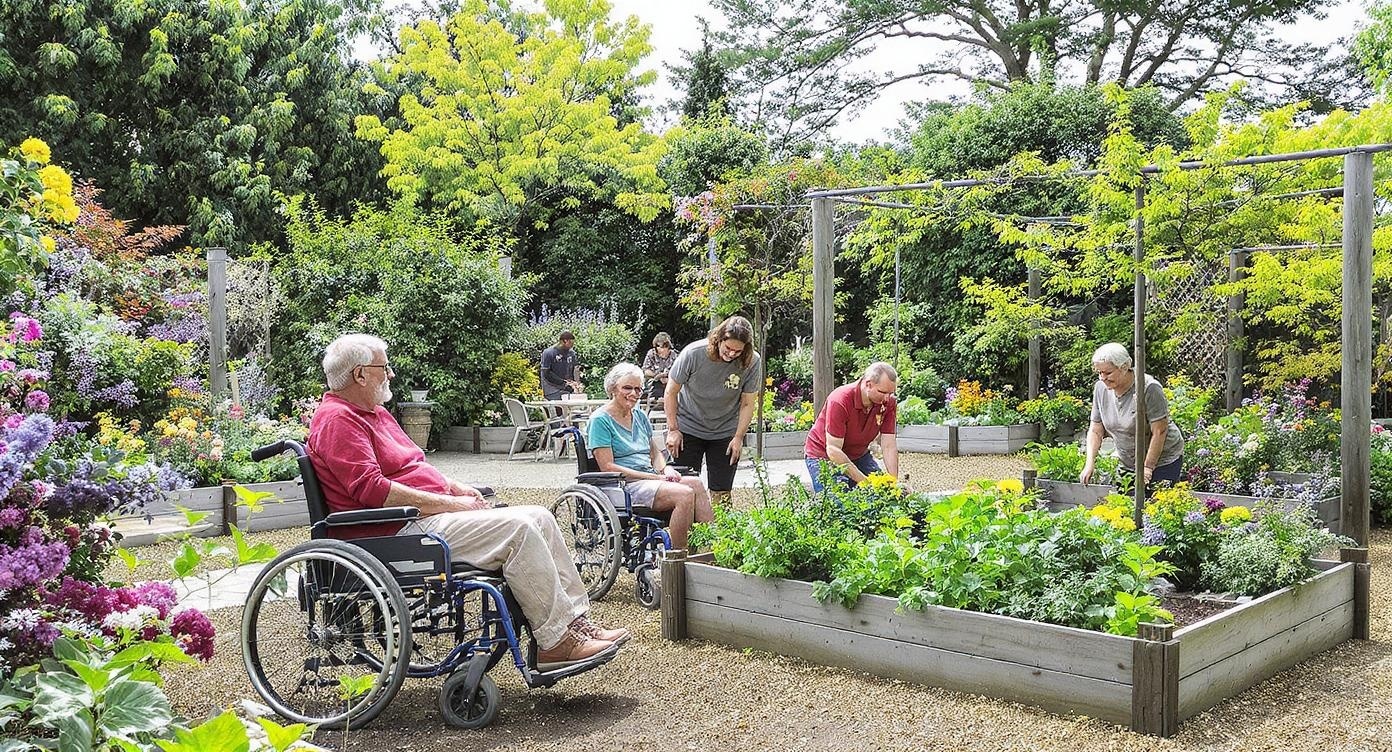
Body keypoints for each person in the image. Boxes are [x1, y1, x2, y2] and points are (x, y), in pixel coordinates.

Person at [307, 333, 628, 671]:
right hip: (394, 530)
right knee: (518, 530)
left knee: (540, 517)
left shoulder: (374, 413)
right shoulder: (338, 420)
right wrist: (450, 504)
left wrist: (455, 486)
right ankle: (554, 642)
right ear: (360, 374)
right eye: (384, 368)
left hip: (418, 519)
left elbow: (414, 466)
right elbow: (373, 490)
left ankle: (575, 625)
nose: (391, 375)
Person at [587, 363, 714, 550]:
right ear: (613, 388)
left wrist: (666, 468)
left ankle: (712, 548)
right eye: (627, 388)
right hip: (623, 485)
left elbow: (654, 453)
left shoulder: (639, 416)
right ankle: (679, 558)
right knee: (684, 494)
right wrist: (656, 477)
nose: (634, 393)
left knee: (695, 483)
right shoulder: (600, 420)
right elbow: (608, 467)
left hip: (650, 479)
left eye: (638, 389)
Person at [663, 315, 761, 505]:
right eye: (728, 348)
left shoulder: (751, 361)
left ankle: (721, 532)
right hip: (689, 428)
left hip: (725, 431)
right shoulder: (694, 353)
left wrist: (739, 437)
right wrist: (673, 429)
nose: (732, 354)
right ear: (719, 339)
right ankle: (689, 532)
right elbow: (671, 391)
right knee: (684, 488)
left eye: (737, 351)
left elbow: (748, 403)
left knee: (722, 492)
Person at [1079, 342, 1186, 485]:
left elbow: (1160, 431)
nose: (1102, 378)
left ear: (1124, 367)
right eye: (1099, 373)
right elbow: (1096, 430)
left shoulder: (1149, 388)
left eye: (1108, 372)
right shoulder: (1100, 389)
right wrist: (1089, 463)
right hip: (1128, 462)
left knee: (1157, 504)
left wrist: (1147, 467)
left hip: (1162, 460)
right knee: (1125, 503)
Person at [803, 362, 900, 491]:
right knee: (838, 503)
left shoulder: (888, 403)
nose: (887, 398)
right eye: (882, 392)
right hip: (823, 455)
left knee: (882, 496)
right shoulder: (840, 400)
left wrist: (893, 483)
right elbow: (833, 450)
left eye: (891, 393)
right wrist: (864, 482)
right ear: (868, 384)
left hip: (858, 455)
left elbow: (888, 445)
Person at [540, 331, 583, 400]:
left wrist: (576, 383)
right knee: (558, 409)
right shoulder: (549, 353)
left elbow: (575, 369)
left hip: (567, 390)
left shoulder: (571, 353)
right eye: (571, 343)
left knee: (571, 409)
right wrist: (563, 383)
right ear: (565, 341)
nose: (572, 345)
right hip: (552, 390)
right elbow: (546, 373)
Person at [640, 332, 676, 403]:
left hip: (670, 381)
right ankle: (654, 400)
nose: (661, 349)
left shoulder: (674, 355)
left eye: (664, 346)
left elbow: (679, 372)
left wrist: (667, 378)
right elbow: (646, 370)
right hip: (654, 381)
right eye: (658, 346)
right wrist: (657, 376)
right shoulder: (651, 354)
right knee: (654, 385)